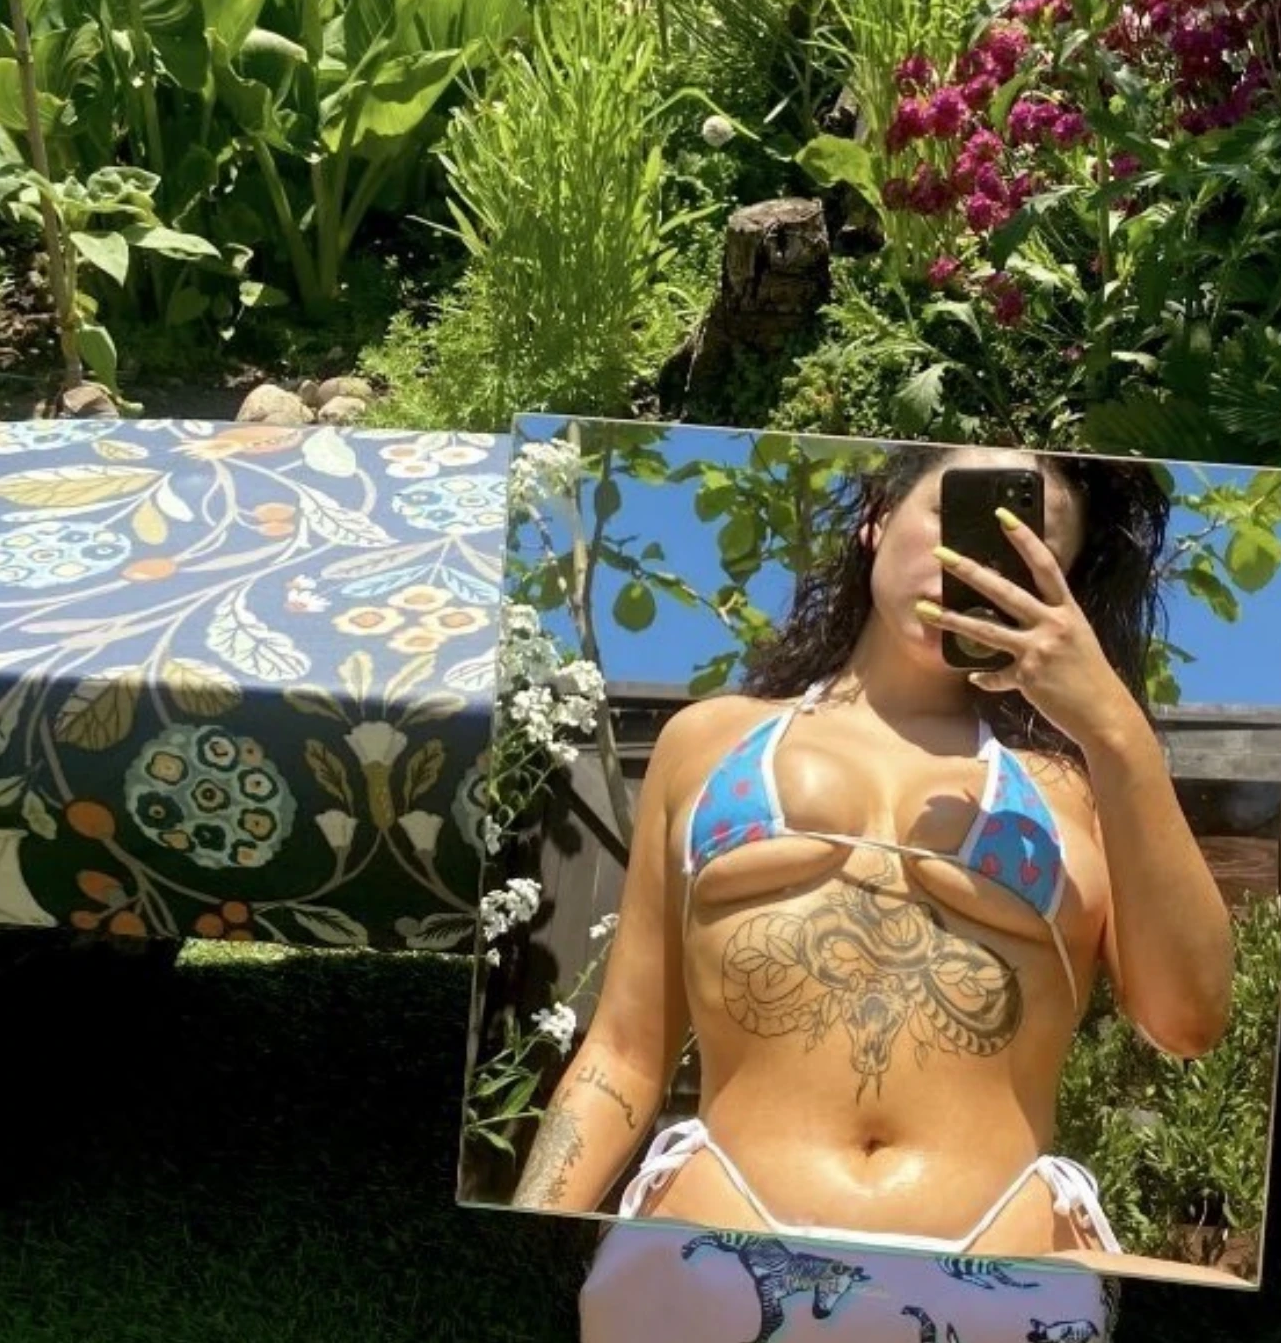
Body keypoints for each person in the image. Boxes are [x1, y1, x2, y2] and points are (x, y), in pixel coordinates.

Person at [512, 441, 1236, 1258]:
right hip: (713, 1245)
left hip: (1001, 1264)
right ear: (878, 519)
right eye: (956, 517)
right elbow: (622, 1054)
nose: (971, 563)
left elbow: (1188, 1022)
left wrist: (1117, 730)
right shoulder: (708, 744)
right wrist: (517, 1247)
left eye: (1022, 549)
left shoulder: (1076, 790)